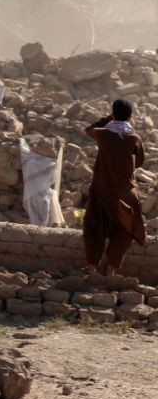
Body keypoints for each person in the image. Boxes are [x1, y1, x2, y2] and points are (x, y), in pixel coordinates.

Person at [84, 100, 146, 276]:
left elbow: (89, 130)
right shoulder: (134, 138)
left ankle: (91, 269)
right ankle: (111, 270)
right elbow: (139, 162)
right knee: (125, 230)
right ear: (131, 117)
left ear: (114, 114)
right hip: (125, 193)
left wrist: (107, 119)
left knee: (94, 227)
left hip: (102, 190)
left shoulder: (102, 134)